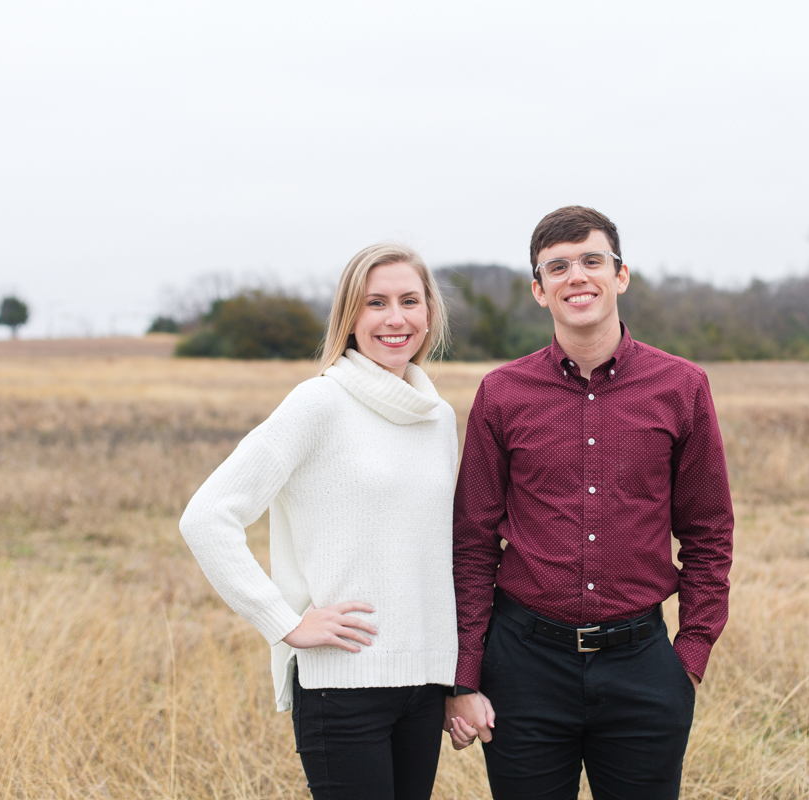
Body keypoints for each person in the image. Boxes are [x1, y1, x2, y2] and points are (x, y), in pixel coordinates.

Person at [444, 206, 735, 799]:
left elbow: (708, 533)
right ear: (539, 289)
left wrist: (690, 656)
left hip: (644, 666)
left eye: (591, 261)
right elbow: (473, 543)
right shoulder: (502, 393)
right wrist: (465, 676)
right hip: (523, 666)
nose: (576, 276)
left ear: (620, 276)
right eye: (558, 266)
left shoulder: (682, 387)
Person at [179, 243, 458, 800]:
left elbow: (438, 549)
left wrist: (453, 674)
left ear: (430, 313)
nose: (395, 318)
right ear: (350, 317)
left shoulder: (438, 417)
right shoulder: (318, 404)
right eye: (375, 302)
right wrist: (284, 622)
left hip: (424, 684)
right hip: (342, 686)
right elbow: (207, 517)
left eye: (409, 300)